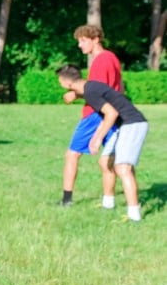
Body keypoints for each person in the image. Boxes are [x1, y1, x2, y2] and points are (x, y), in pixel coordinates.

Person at [56, 65, 148, 221]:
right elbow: (103, 97)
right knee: (105, 162)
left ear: (67, 83)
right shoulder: (90, 87)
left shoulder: (90, 91)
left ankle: (134, 215)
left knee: (122, 168)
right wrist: (76, 96)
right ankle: (108, 204)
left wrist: (97, 138)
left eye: (60, 81)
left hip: (133, 124)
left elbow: (111, 113)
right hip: (124, 125)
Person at [60, 24, 122, 207]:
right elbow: (119, 87)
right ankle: (109, 202)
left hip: (95, 114)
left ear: (96, 40)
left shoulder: (101, 60)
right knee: (111, 160)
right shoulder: (113, 58)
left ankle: (66, 200)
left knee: (72, 154)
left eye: (83, 40)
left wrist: (75, 94)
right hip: (113, 112)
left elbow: (97, 92)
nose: (80, 45)